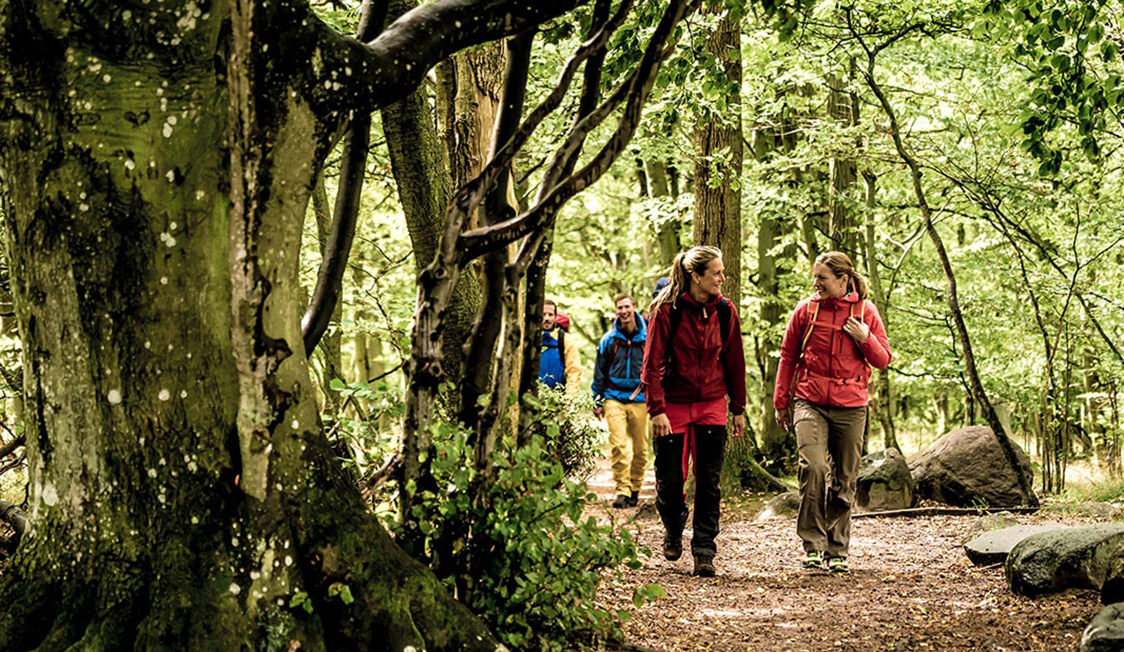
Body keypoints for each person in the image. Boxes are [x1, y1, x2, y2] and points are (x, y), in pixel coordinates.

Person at [773, 251, 892, 574]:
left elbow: (883, 360)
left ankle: (837, 548)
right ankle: (812, 544)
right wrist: (781, 401)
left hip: (851, 406)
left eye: (822, 278)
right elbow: (788, 356)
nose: (816, 283)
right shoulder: (806, 310)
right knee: (812, 468)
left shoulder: (865, 312)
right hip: (809, 400)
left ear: (843, 280)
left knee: (844, 480)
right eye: (815, 277)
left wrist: (865, 339)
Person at [642, 246, 746, 578]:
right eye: (716, 273)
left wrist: (739, 408)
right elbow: (651, 364)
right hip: (672, 406)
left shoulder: (725, 311)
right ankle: (673, 528)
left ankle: (704, 550)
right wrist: (656, 409)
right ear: (696, 276)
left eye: (722, 272)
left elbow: (734, 361)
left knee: (709, 482)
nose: (722, 278)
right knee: (672, 482)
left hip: (712, 404)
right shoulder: (666, 310)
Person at [592, 293, 649, 509]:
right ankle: (622, 490)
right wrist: (597, 401)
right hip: (613, 396)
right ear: (616, 311)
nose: (624, 311)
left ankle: (635, 487)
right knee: (618, 445)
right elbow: (599, 372)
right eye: (619, 308)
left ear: (634, 308)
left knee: (641, 449)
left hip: (640, 398)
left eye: (627, 307)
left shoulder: (647, 339)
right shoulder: (609, 341)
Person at [540, 299, 581, 392]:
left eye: (550, 315)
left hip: (557, 396)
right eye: (543, 314)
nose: (547, 318)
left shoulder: (565, 339)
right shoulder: (529, 338)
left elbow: (574, 371)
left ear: (555, 317)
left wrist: (570, 398)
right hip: (532, 396)